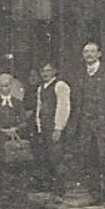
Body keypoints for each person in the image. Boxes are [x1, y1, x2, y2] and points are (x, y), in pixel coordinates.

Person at [72, 41, 105, 205]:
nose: (88, 54)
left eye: (92, 51)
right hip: (86, 124)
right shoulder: (81, 75)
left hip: (104, 124)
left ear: (99, 54)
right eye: (85, 52)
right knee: (89, 159)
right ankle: (94, 193)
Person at [0, 72, 29, 209]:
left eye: (7, 85)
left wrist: (16, 128)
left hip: (11, 145)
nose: (4, 88)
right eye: (2, 86)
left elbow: (24, 121)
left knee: (9, 175)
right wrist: (1, 130)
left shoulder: (17, 103)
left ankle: (8, 205)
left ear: (11, 86)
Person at [33, 61, 71, 197]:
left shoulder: (60, 86)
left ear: (54, 71)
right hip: (45, 127)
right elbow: (39, 106)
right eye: (43, 71)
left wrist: (58, 127)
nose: (45, 74)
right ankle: (50, 188)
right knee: (47, 157)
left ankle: (60, 190)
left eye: (48, 71)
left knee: (57, 158)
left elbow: (63, 106)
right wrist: (39, 124)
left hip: (55, 127)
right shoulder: (41, 87)